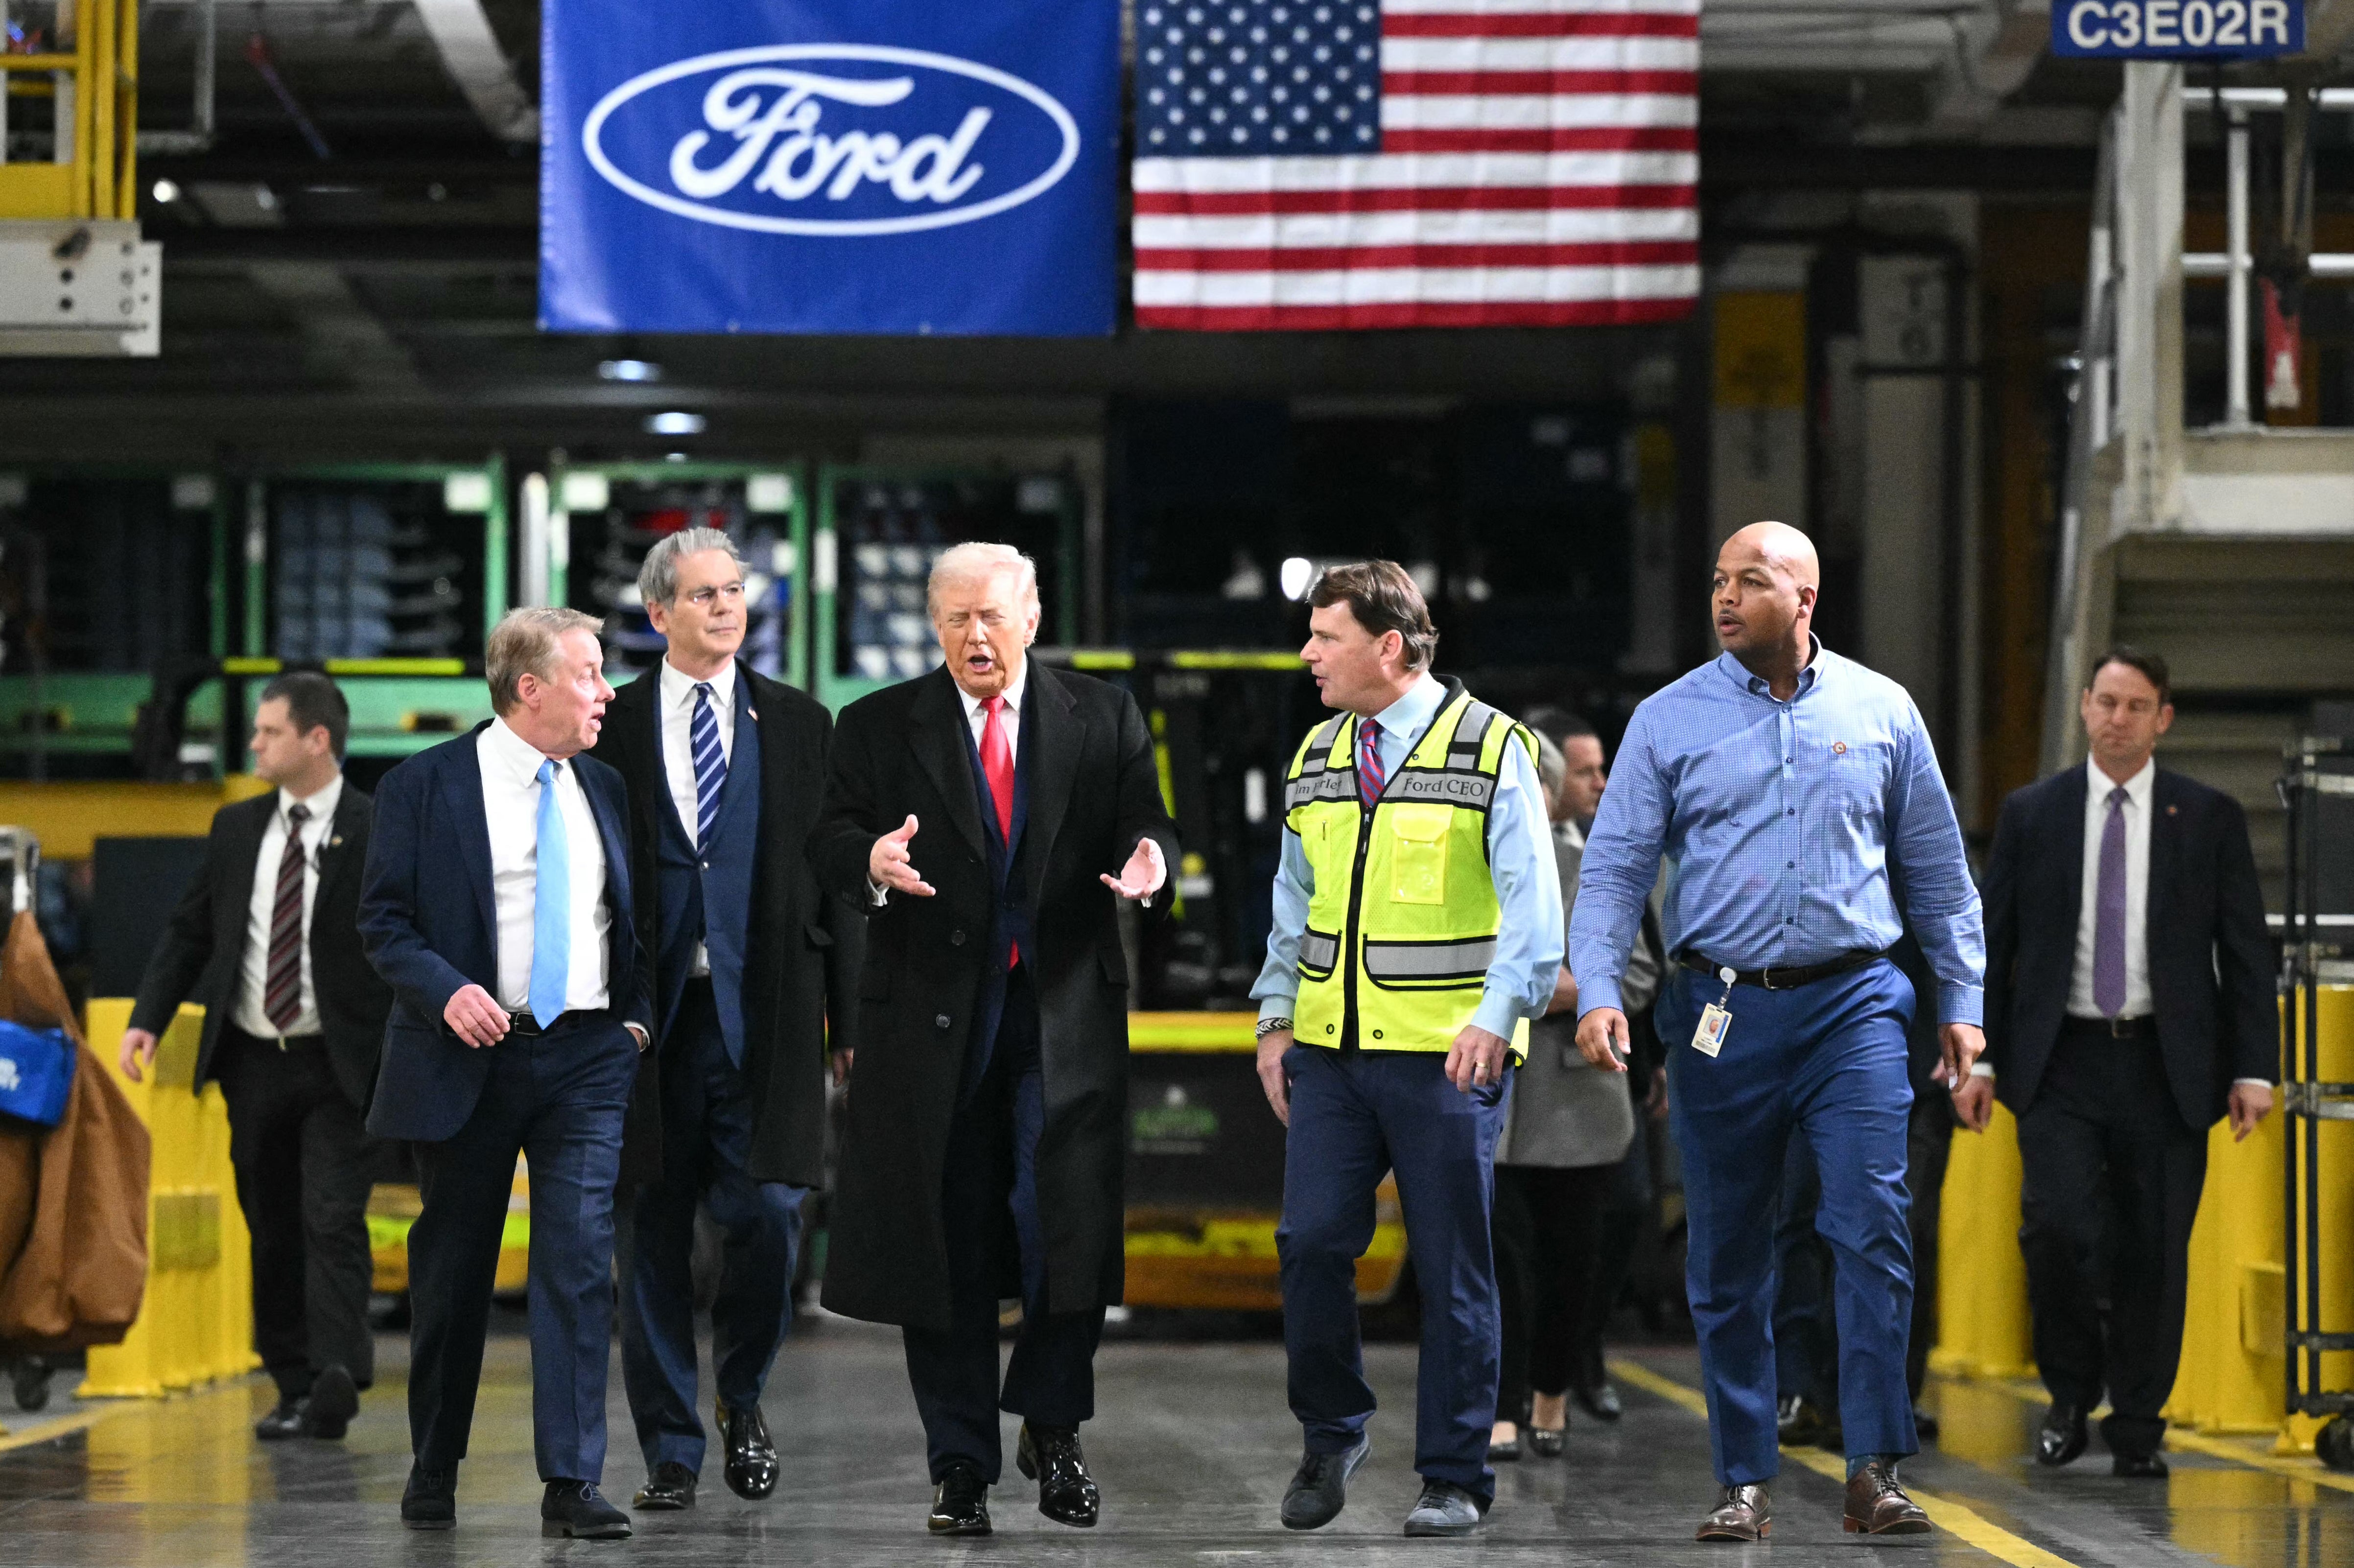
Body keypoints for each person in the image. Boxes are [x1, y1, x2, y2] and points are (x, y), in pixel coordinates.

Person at [1569, 521, 1985, 1543]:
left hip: (1855, 1006)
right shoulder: (1668, 721)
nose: (1723, 597)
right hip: (1721, 1010)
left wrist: (1962, 1003)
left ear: (1804, 601)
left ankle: (1873, 1466)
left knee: (1870, 1227)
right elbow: (1617, 865)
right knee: (1727, 1248)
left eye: (1748, 582)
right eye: (1717, 579)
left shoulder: (1881, 711)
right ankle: (1741, 1478)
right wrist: (1595, 992)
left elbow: (1935, 872)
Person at [809, 542, 1175, 1537]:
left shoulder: (1100, 715)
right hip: (929, 1023)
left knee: (1063, 1224)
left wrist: (1151, 860)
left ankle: (1053, 1426)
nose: (977, 635)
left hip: (1060, 1014)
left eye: (994, 616)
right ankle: (959, 1462)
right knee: (948, 1241)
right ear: (934, 624)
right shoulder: (879, 725)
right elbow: (833, 840)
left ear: (1032, 617)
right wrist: (871, 863)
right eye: (957, 617)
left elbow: (1146, 822)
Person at [1251, 561, 1562, 1539]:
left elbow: (1533, 907)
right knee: (1308, 1246)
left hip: (1445, 1057)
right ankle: (1332, 1431)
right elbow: (1290, 906)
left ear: (1388, 646)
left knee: (1450, 1265)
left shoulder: (1491, 749)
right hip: (1334, 1055)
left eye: (1324, 637)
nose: (1307, 654)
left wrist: (1495, 1014)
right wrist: (1273, 1019)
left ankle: (1455, 1474)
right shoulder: (1317, 755)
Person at [359, 607, 651, 1540]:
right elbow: (385, 923)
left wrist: (634, 1026)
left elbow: (632, 916)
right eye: (590, 674)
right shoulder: (422, 785)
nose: (607, 691)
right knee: (454, 1271)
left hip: (587, 1059)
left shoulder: (604, 786)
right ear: (531, 689)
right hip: (467, 1056)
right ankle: (434, 1463)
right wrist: (445, 992)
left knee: (574, 1264)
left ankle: (571, 1481)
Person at [592, 530, 863, 1512]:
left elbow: (836, 873)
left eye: (735, 591)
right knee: (650, 1231)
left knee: (770, 1213)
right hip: (646, 1025)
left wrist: (852, 1023)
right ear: (658, 613)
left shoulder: (798, 722)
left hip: (771, 1012)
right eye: (704, 594)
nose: (726, 608)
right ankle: (671, 1446)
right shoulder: (610, 723)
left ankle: (740, 1395)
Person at [1962, 645, 2274, 1478]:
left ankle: (2137, 1420)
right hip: (2061, 1060)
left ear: (2163, 718)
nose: (2117, 719)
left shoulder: (2207, 818)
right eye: (2105, 702)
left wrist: (2255, 1069)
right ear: (2085, 709)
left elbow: (2246, 952)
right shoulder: (2036, 813)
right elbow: (1995, 945)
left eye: (2136, 706)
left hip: (2166, 1065)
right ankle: (2069, 1393)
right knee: (2057, 1230)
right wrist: (1980, 1061)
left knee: (2155, 1248)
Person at [120, 673, 391, 1443]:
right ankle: (293, 1381)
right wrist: (149, 1019)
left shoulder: (376, 829)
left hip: (339, 1062)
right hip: (253, 1059)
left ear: (317, 741)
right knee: (270, 1223)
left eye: (269, 731)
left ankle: (339, 1371)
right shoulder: (237, 829)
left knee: (330, 1213)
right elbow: (189, 931)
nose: (254, 744)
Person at [1488, 713, 1660, 1463]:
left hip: (1576, 1097)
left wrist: (1551, 995)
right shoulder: (1471, 864)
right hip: (1490, 1094)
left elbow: (1643, 972)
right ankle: (1503, 1404)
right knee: (1499, 1264)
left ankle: (1553, 1392)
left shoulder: (1595, 866)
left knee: (1569, 1264)